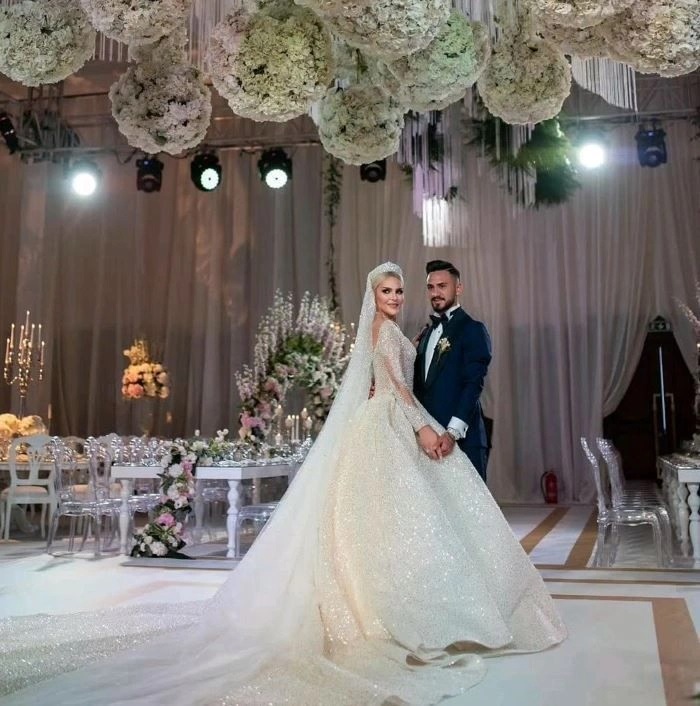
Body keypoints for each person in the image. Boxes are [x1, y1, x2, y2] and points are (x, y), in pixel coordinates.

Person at [0, 263, 565, 706]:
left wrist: (427, 422)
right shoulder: (384, 331)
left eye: (401, 291)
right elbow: (396, 388)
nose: (397, 297)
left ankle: (410, 602)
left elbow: (404, 384)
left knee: (399, 519)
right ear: (374, 296)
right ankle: (392, 611)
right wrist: (422, 426)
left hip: (393, 425)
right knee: (394, 518)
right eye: (388, 291)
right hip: (392, 426)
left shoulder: (403, 330)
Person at [414, 260, 492, 481]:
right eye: (431, 287)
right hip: (429, 444)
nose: (435, 293)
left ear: (458, 288)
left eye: (442, 286)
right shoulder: (425, 334)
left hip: (463, 442)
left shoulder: (473, 329)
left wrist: (452, 433)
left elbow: (473, 384)